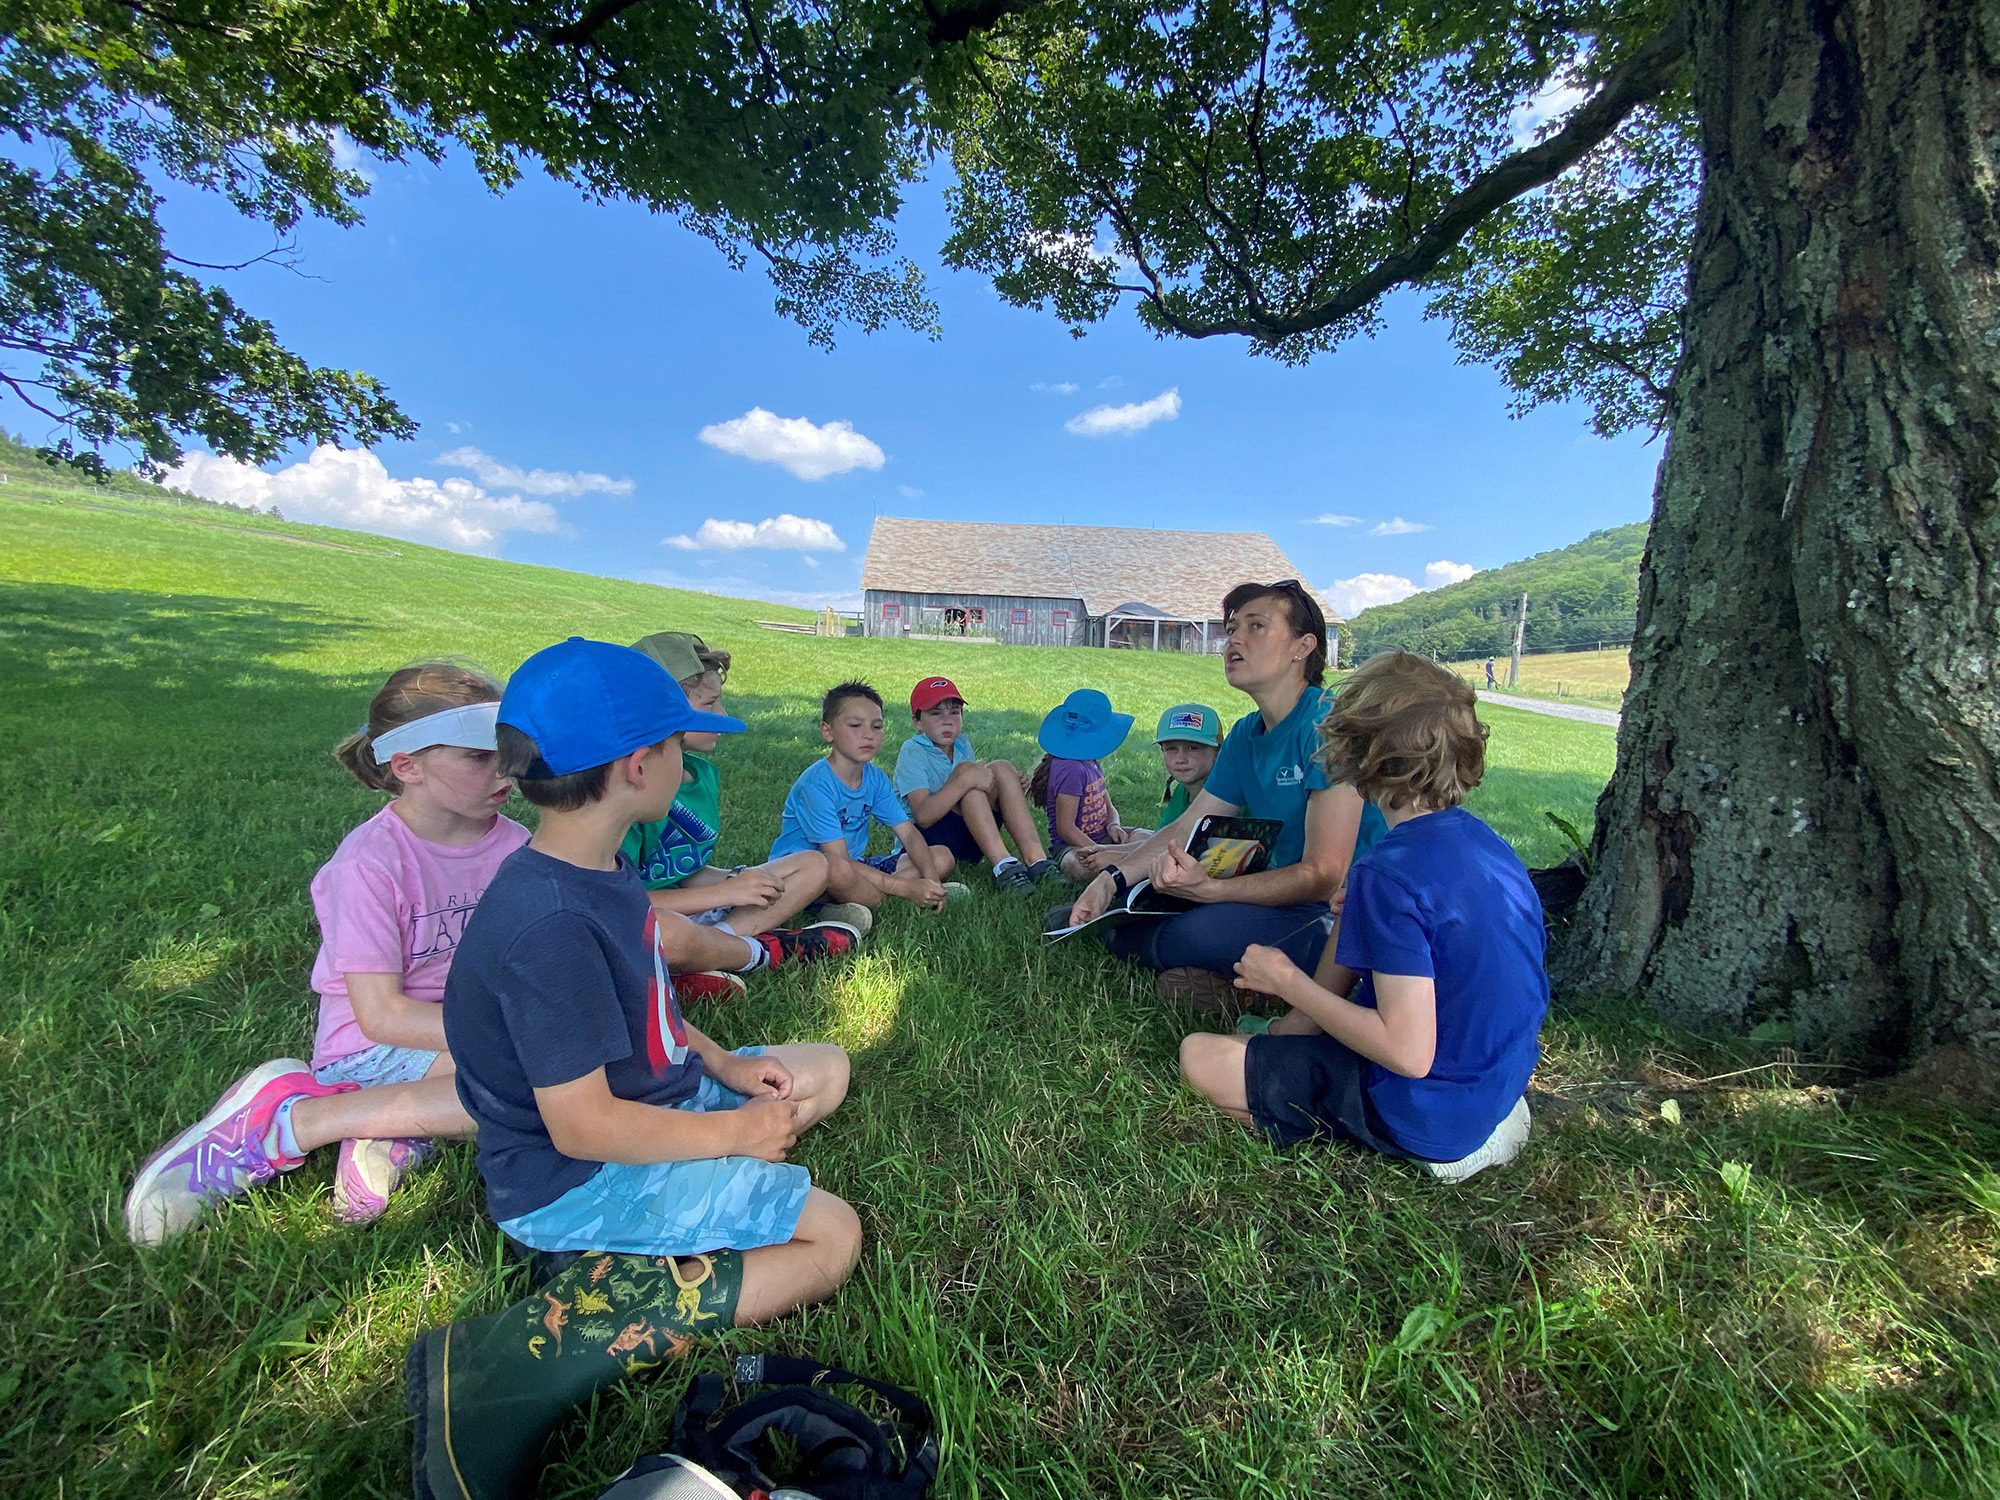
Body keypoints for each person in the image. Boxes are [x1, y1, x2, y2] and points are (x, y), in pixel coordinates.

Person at [445, 636, 863, 1316]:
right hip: (578, 1179)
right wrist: (733, 1137)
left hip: (658, 1102)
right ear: (640, 766)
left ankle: (697, 1174)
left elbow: (650, 1007)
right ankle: (603, 1311)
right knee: (834, 1236)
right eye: (674, 744)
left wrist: (725, 1065)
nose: (682, 760)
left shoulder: (603, 868)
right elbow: (582, 1129)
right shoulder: (548, 925)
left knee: (829, 1065)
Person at [124, 663, 525, 1244]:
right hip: (376, 1046)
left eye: (507, 752)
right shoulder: (369, 866)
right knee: (534, 1092)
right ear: (406, 765)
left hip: (463, 1029)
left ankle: (391, 1121)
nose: (505, 770)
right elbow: (381, 1014)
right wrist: (515, 1031)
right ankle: (293, 1120)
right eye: (478, 756)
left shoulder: (513, 843)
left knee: (563, 1080)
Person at [1178, 650, 1546, 1183]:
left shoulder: (1390, 873)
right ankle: (1298, 1041)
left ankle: (1418, 1148)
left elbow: (1407, 1053)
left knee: (1201, 1057)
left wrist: (1287, 982)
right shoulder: (1486, 846)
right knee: (1275, 1033)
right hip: (1492, 1082)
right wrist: (1298, 1019)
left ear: (1356, 751)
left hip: (1427, 1113)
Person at [1062, 580, 1388, 1012]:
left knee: (1192, 933)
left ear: (1302, 647)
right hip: (1279, 896)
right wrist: (1113, 879)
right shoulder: (1244, 734)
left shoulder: (1328, 725)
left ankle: (1259, 986)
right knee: (1123, 910)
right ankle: (1226, 975)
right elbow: (1186, 825)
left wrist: (1212, 892)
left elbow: (1324, 874)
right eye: (1232, 628)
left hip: (1341, 916)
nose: (1234, 639)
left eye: (1256, 626)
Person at [624, 631, 869, 938]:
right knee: (663, 930)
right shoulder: (627, 790)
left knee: (814, 864)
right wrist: (727, 893)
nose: (723, 715)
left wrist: (738, 880)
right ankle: (742, 945)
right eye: (711, 703)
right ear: (661, 708)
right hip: (648, 917)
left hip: (693, 905)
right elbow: (619, 902)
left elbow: (681, 872)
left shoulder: (702, 776)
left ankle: (724, 937)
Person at [771, 681, 962, 913]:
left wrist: (932, 881)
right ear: (827, 731)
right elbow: (838, 860)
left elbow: (909, 834)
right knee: (839, 872)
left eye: (877, 727)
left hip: (856, 867)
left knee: (942, 857)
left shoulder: (875, 778)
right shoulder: (815, 785)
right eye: (855, 725)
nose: (867, 735)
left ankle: (860, 903)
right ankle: (865, 900)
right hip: (807, 874)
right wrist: (906, 887)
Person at [891, 675, 1057, 890]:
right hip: (928, 845)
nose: (948, 720)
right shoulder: (912, 752)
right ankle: (1003, 867)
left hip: (967, 839)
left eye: (955, 712)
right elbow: (923, 816)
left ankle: (1037, 860)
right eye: (935, 713)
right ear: (917, 721)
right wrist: (965, 778)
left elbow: (973, 792)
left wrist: (1007, 788)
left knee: (1002, 768)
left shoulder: (961, 746)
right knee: (968, 780)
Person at [1028, 688, 1136, 881]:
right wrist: (1100, 851)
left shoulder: (1090, 760)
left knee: (1147, 837)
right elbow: (1066, 828)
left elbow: (1108, 806)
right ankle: (1128, 864)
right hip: (1073, 847)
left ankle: (1126, 861)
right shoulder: (1071, 769)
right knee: (1078, 866)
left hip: (1103, 838)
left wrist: (1114, 825)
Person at [1152, 702, 1222, 828]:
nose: (1180, 759)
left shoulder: (1224, 796)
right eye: (1171, 748)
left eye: (1193, 748)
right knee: (1138, 835)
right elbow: (1163, 836)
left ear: (1218, 752)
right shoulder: (1182, 790)